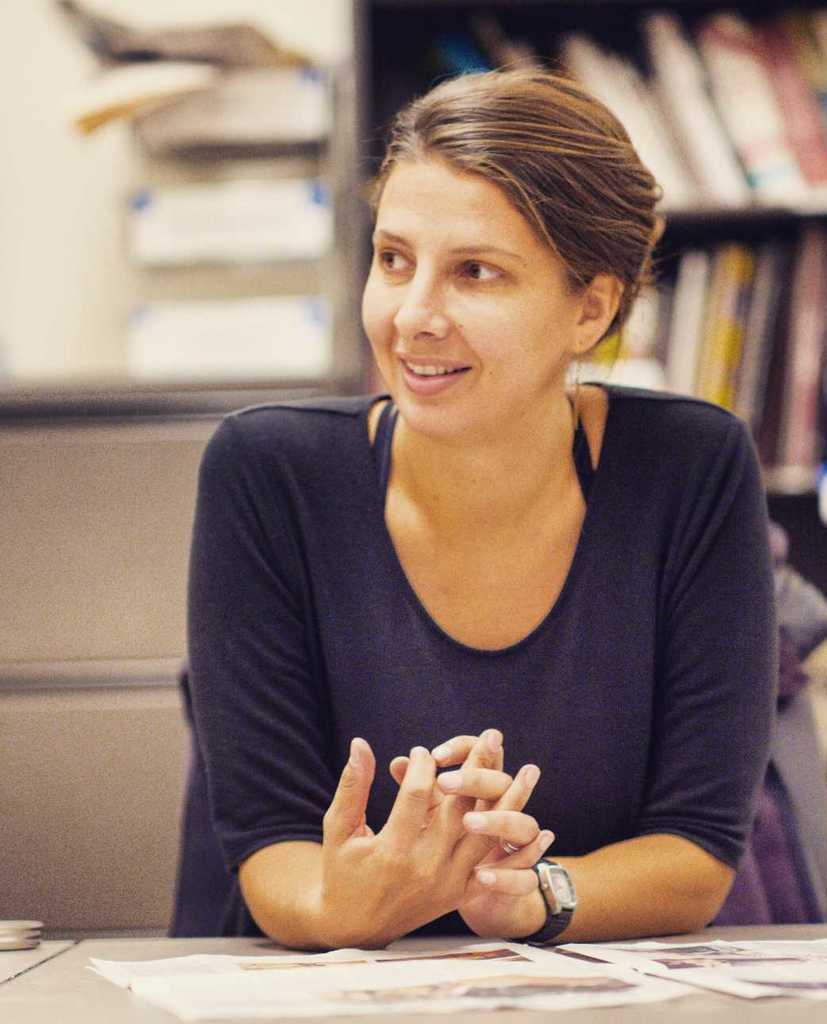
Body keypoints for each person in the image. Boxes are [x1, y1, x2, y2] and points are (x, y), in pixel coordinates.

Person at [186, 67, 777, 951]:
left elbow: (696, 850)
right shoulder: (267, 471)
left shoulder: (692, 467)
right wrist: (344, 907)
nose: (413, 316)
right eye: (394, 260)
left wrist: (532, 895)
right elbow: (269, 840)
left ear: (590, 309)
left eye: (476, 272)